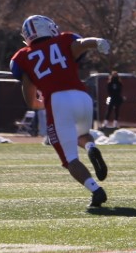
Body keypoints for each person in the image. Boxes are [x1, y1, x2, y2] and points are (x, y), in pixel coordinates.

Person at [9, 15, 111, 208]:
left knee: (69, 158)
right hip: (82, 98)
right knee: (83, 134)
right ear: (49, 28)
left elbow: (30, 97)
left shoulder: (22, 56)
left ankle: (96, 190)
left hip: (57, 101)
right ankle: (91, 148)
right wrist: (96, 42)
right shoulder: (64, 39)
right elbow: (80, 44)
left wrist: (39, 104)